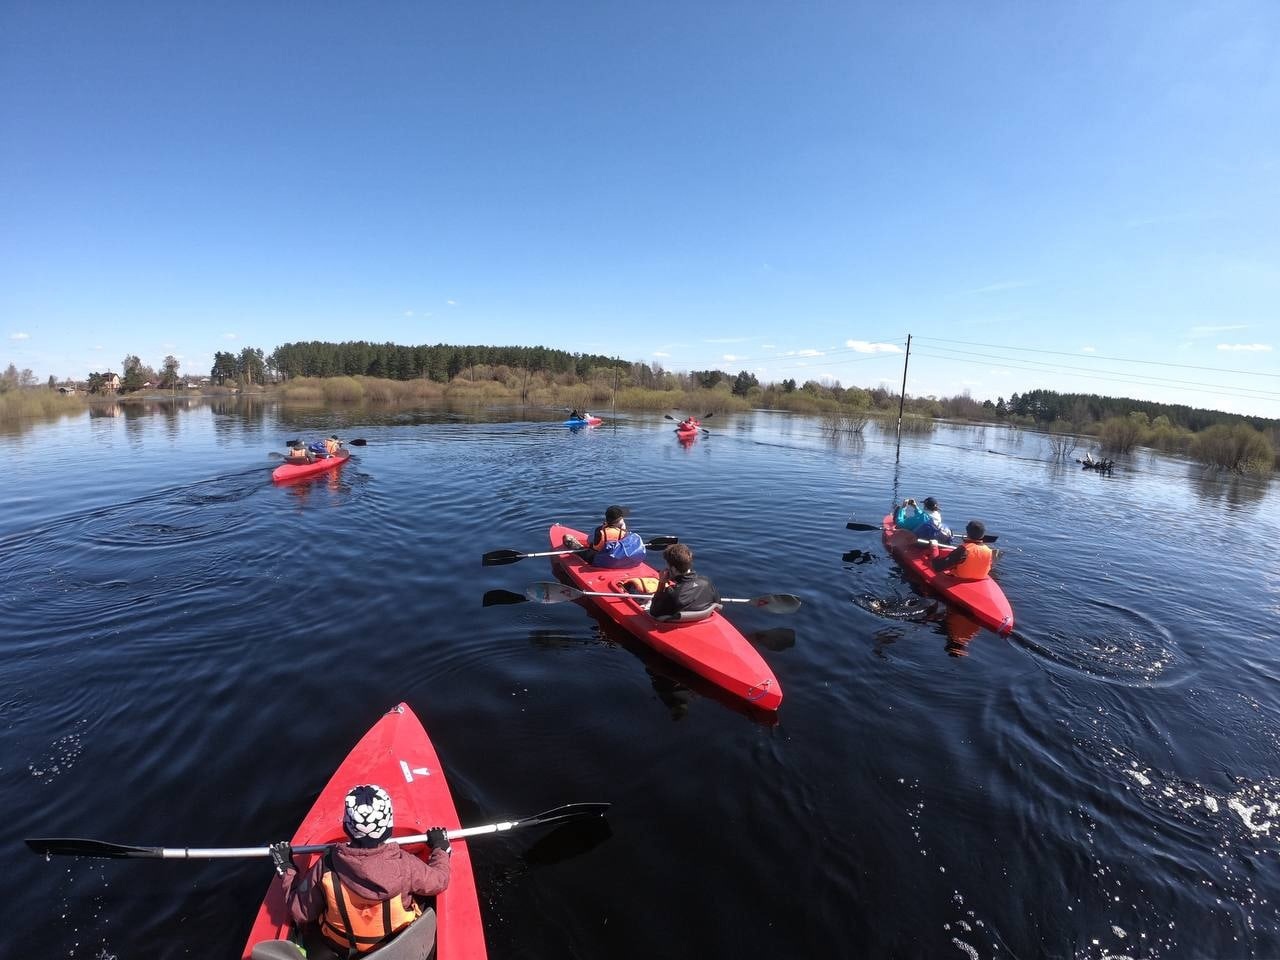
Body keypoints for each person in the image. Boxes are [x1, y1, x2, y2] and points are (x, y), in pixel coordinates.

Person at [266, 784, 451, 958]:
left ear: (347, 826)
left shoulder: (326, 865)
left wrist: (287, 869)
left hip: (341, 948)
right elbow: (440, 880)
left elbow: (300, 912)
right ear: (388, 827)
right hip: (396, 946)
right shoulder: (406, 865)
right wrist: (441, 848)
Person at [647, 543, 721, 620]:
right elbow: (718, 603)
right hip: (702, 621)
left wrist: (661, 583)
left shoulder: (671, 593)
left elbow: (654, 612)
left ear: (673, 569)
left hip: (673, 626)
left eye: (668, 566)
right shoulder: (706, 582)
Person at [564, 505, 646, 568]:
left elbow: (590, 541)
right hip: (619, 559)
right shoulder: (625, 533)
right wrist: (623, 528)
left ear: (607, 520)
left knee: (568, 538)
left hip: (599, 559)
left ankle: (575, 546)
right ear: (621, 521)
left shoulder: (599, 531)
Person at [930, 520, 995, 581]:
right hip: (980, 578)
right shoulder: (989, 551)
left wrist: (934, 547)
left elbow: (937, 566)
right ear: (983, 535)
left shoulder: (963, 550)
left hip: (960, 579)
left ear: (967, 533)